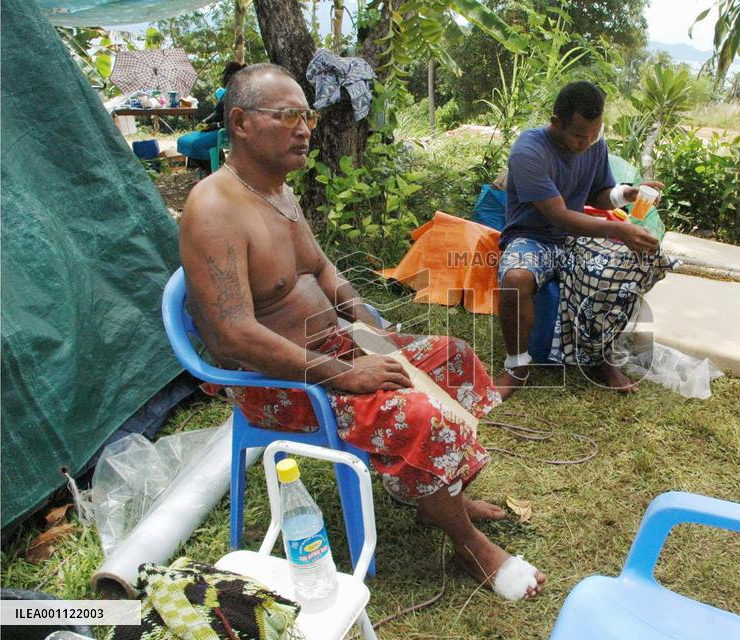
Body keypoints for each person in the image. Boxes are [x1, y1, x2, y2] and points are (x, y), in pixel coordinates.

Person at [179, 63, 545, 600]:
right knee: (419, 412)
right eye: (288, 116)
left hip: (337, 349)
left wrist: (366, 321)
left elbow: (323, 271)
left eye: (307, 115)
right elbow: (232, 337)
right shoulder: (213, 209)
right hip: (281, 383)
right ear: (240, 122)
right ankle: (468, 542)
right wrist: (345, 374)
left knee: (454, 356)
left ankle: (438, 492)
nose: (305, 128)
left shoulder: (278, 192)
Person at [494, 80, 664, 398]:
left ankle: (601, 359)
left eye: (593, 134)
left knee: (627, 269)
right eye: (578, 135)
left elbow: (600, 195)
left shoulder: (594, 143)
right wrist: (618, 230)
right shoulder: (528, 151)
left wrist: (627, 193)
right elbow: (557, 215)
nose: (586, 143)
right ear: (556, 122)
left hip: (575, 239)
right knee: (517, 277)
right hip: (533, 238)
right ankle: (516, 368)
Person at [177, 61, 247, 171]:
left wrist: (217, 125)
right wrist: (207, 120)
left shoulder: (242, 94)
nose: (223, 77)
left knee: (196, 145)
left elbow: (241, 119)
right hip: (218, 129)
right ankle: (208, 171)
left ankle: (214, 172)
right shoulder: (227, 92)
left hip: (229, 132)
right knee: (183, 140)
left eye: (225, 74)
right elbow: (218, 112)